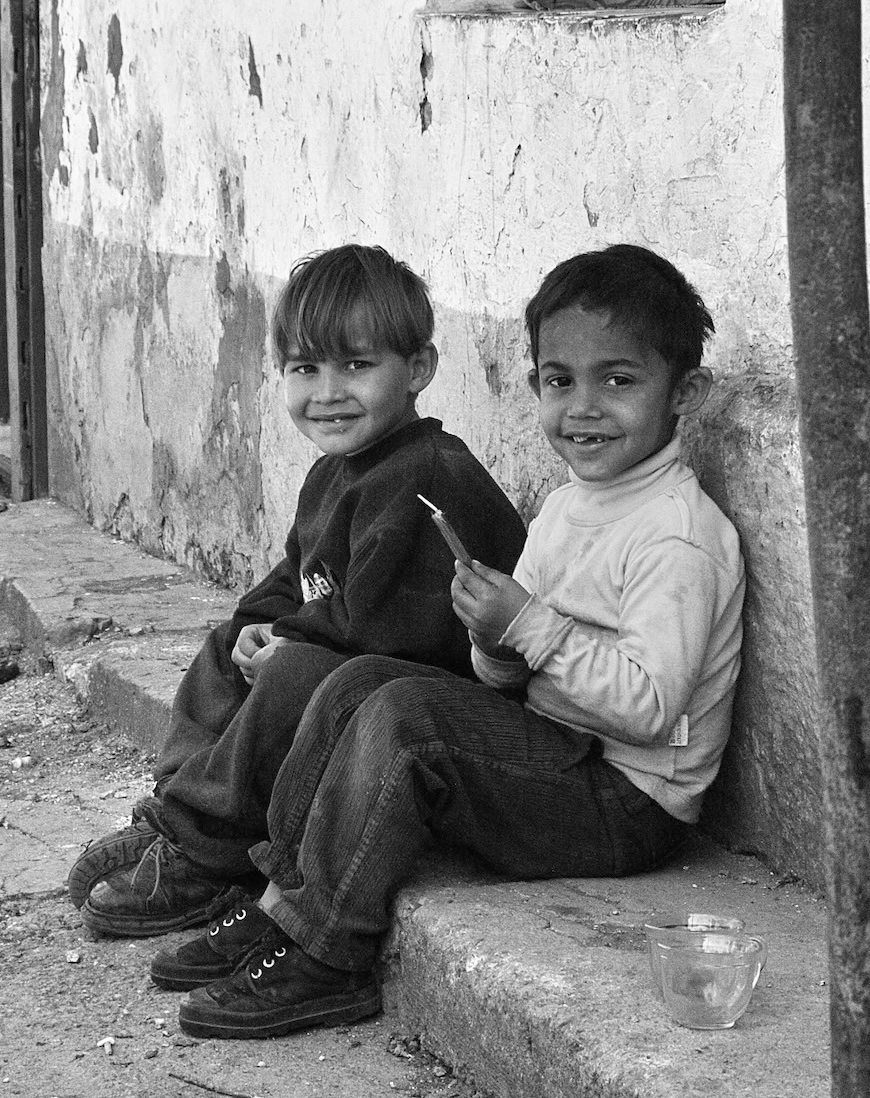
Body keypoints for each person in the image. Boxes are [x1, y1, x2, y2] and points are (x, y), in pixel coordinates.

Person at [157, 242, 747, 1038]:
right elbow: (509, 678)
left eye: (618, 381)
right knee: (358, 682)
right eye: (559, 381)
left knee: (407, 717)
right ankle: (281, 902)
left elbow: (647, 709)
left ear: (686, 393)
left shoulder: (677, 535)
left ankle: (328, 954)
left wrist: (528, 627)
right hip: (558, 752)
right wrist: (493, 642)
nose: (583, 408)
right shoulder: (571, 505)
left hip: (628, 804)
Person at [68, 243, 527, 985]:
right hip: (349, 659)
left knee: (293, 671)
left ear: (419, 369)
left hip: (419, 705)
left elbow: (389, 628)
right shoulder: (334, 472)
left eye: (357, 366)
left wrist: (287, 643)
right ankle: (178, 819)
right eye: (305, 368)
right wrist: (261, 623)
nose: (328, 392)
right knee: (227, 646)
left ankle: (212, 852)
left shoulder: (427, 477)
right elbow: (298, 576)